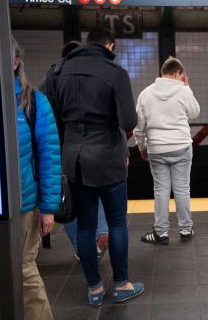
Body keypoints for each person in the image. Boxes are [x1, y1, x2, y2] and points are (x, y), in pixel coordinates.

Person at [54, 27, 143, 306]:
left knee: (85, 226)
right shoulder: (115, 73)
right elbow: (128, 122)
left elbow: (53, 118)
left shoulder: (58, 72)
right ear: (110, 46)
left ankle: (93, 289)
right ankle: (121, 285)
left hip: (74, 160)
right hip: (108, 159)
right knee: (116, 222)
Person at [41, 40, 109, 261]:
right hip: (87, 145)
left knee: (65, 197)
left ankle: (82, 248)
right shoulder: (85, 76)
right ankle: (101, 231)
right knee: (93, 188)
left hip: (57, 148)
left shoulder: (49, 80)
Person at [13, 38, 61, 319]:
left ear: (15, 62)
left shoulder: (32, 102)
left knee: (23, 270)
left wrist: (48, 208)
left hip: (22, 205)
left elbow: (49, 155)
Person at [134, 57, 200, 245]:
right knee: (182, 189)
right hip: (181, 146)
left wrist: (142, 147)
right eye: (183, 76)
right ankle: (186, 229)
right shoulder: (182, 90)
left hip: (157, 148)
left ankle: (161, 233)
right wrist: (187, 88)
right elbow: (195, 112)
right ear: (177, 73)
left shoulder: (146, 93)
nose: (183, 79)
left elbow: (139, 127)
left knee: (161, 190)